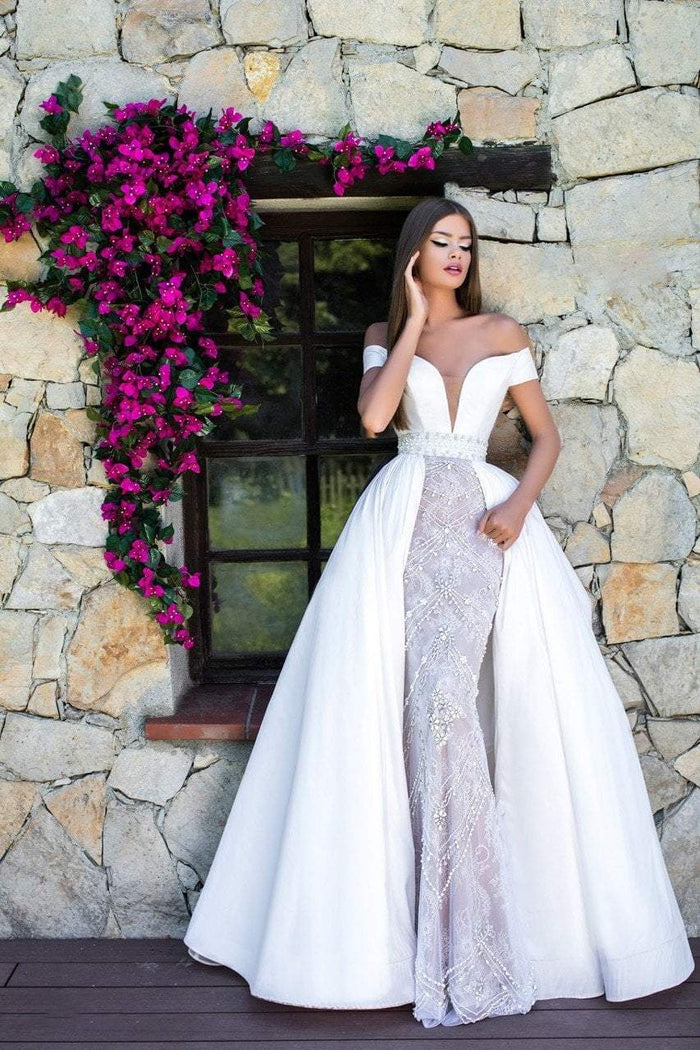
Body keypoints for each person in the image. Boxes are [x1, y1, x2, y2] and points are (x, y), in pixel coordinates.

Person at [184, 197, 694, 1028]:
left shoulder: (502, 332)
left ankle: (480, 925)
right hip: (402, 526)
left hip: (486, 526)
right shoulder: (385, 337)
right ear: (415, 255)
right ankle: (423, 924)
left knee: (463, 705)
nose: (456, 255)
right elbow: (375, 418)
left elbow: (545, 438)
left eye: (465, 244)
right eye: (440, 243)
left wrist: (519, 506)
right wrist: (415, 322)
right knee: (414, 706)